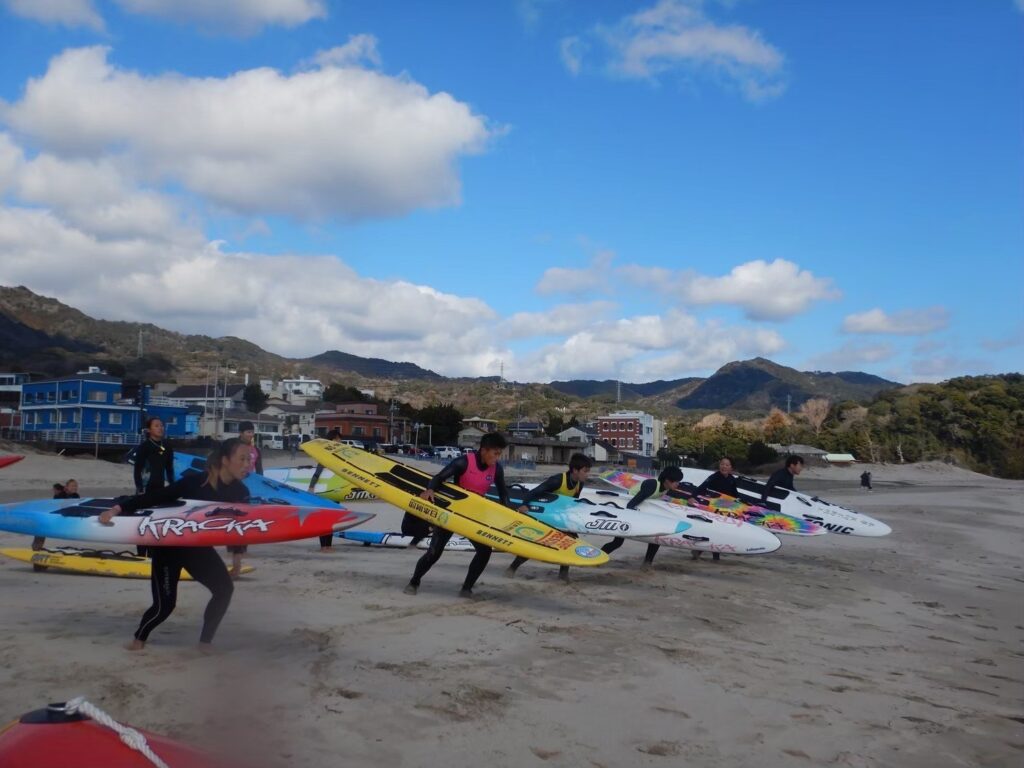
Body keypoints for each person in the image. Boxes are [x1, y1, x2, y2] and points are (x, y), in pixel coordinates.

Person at [97, 439, 249, 650]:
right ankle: (138, 639)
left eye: (249, 459)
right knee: (164, 606)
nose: (247, 464)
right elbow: (156, 497)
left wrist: (237, 559)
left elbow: (242, 527)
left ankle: (205, 642)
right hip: (169, 546)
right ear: (225, 460)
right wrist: (117, 509)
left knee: (224, 589)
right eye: (242, 458)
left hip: (197, 548)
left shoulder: (240, 493)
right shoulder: (195, 482)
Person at [404, 432, 510, 599]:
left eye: (499, 454)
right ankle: (414, 582)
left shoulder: (497, 469)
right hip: (453, 513)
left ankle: (466, 588)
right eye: (495, 453)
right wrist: (430, 489)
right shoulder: (463, 462)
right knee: (434, 553)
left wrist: (507, 513)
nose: (497, 457)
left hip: (474, 515)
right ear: (483, 450)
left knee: (484, 551)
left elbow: (504, 493)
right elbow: (439, 477)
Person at [505, 453, 592, 582]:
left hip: (560, 518)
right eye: (585, 471)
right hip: (545, 517)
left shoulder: (579, 483)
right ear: (575, 470)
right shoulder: (557, 480)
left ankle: (563, 574)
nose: (587, 474)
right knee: (536, 544)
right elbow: (533, 492)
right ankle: (512, 568)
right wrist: (524, 505)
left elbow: (571, 503)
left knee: (571, 541)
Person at [601, 467, 686, 567]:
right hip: (627, 511)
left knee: (655, 538)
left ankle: (647, 565)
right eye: (676, 482)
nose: (678, 484)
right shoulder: (652, 485)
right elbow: (631, 505)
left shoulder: (666, 487)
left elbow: (679, 495)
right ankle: (594, 558)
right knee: (617, 543)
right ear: (667, 480)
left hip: (639, 512)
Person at [133, 417, 175, 557]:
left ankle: (152, 553)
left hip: (160, 488)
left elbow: (169, 469)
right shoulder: (144, 447)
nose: (160, 428)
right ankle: (141, 553)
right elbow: (137, 469)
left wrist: (173, 487)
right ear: (149, 429)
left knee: (156, 521)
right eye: (157, 426)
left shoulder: (167, 446)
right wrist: (139, 487)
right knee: (142, 521)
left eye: (162, 425)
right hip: (146, 488)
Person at [227, 421, 263, 577]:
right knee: (234, 522)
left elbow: (260, 471)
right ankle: (236, 562)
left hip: (249, 490)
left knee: (245, 522)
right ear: (241, 433)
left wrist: (262, 489)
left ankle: (237, 562)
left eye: (252, 432)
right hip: (233, 488)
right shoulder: (232, 447)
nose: (250, 434)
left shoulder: (256, 450)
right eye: (248, 431)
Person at [308, 429, 342, 552]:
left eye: (339, 439)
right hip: (325, 492)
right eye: (337, 439)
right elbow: (317, 473)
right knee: (324, 519)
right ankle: (323, 546)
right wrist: (311, 487)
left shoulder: (339, 457)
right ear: (330, 440)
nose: (339, 441)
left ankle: (329, 545)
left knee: (332, 520)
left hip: (335, 492)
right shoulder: (325, 456)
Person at [33, 480, 81, 550]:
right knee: (41, 526)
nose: (75, 487)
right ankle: (36, 548)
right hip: (55, 517)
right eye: (73, 486)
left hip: (67, 518)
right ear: (66, 487)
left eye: (76, 486)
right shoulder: (60, 494)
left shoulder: (76, 495)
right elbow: (57, 504)